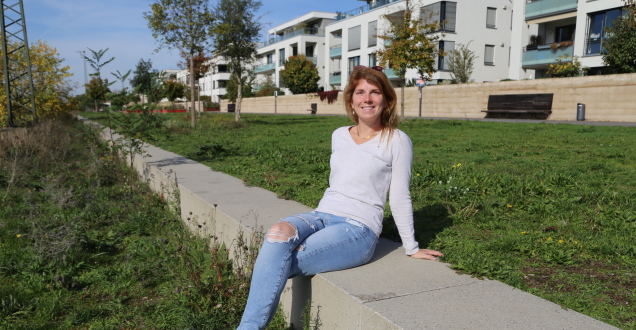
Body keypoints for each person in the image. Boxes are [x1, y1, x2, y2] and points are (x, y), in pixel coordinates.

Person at [237, 66, 444, 330]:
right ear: (351, 100)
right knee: (278, 234)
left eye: (375, 92)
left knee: (279, 257)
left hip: (358, 228)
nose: (367, 99)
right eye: (360, 92)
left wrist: (411, 247)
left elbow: (400, 196)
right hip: (321, 215)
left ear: (387, 100)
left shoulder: (397, 140)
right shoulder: (339, 135)